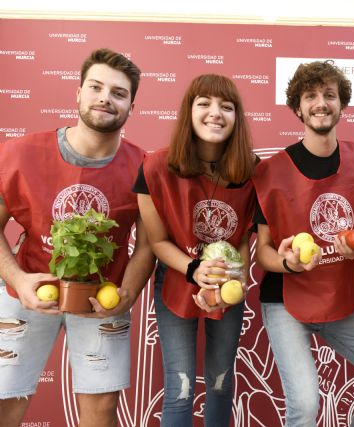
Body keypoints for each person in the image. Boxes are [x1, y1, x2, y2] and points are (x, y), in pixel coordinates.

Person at [0, 48, 155, 427]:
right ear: (78, 93)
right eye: (96, 87)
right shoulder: (19, 153)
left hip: (102, 297)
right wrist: (18, 280)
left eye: (119, 93)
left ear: (131, 107)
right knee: (4, 398)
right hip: (28, 288)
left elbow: (150, 244)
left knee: (102, 409)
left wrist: (128, 294)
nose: (105, 97)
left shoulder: (145, 168)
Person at [252, 60, 354, 427]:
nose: (320, 103)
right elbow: (262, 252)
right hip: (284, 300)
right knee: (305, 406)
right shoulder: (270, 170)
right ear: (298, 108)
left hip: (337, 298)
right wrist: (288, 262)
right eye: (310, 96)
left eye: (329, 95)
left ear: (342, 104)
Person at [134, 74, 256, 426]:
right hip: (175, 281)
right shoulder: (154, 167)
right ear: (189, 111)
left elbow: (248, 238)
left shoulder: (253, 172)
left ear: (237, 118)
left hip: (227, 288)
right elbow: (156, 241)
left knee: (220, 382)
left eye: (226, 106)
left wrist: (236, 279)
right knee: (181, 387)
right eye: (204, 103)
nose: (215, 113)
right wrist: (193, 269)